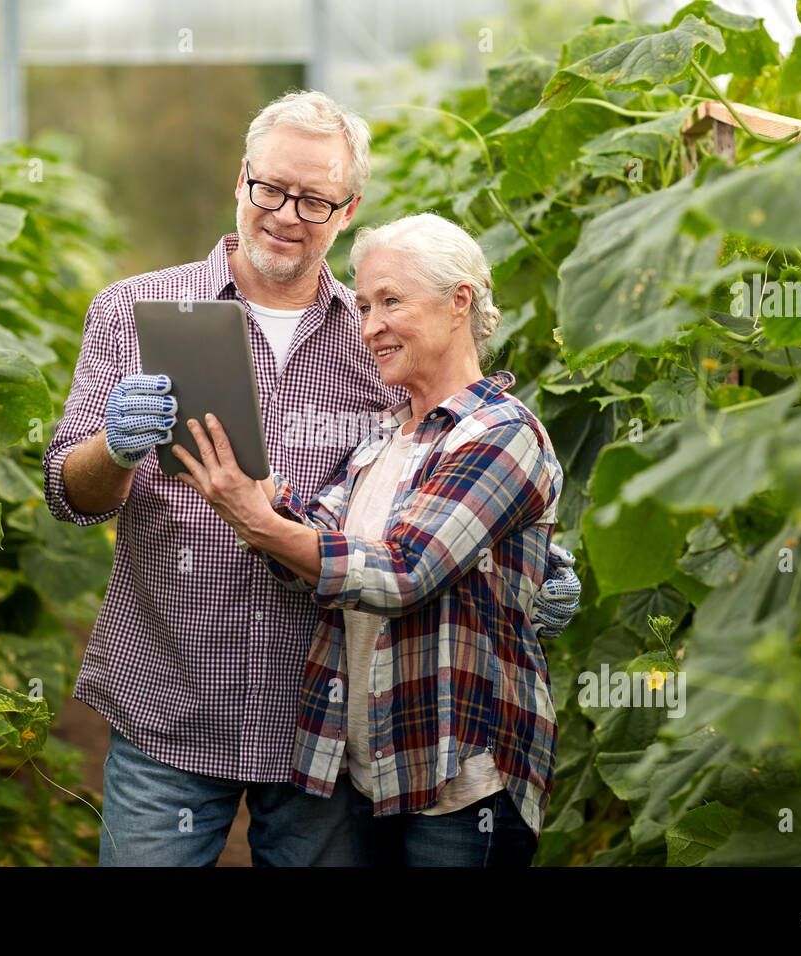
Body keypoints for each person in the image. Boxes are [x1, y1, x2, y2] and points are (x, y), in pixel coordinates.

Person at [45, 92, 578, 867]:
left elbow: (442, 473)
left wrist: (525, 568)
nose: (287, 214)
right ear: (241, 180)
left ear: (349, 206)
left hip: (325, 723)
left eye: (315, 199)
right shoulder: (134, 311)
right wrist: (115, 448)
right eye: (271, 188)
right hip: (169, 698)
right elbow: (69, 496)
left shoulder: (381, 338)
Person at [173, 212, 576, 867]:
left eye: (391, 302)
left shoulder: (501, 434)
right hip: (374, 772)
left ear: (459, 303)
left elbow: (403, 574)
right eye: (362, 306)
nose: (369, 327)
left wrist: (263, 524)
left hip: (460, 784)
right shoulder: (388, 435)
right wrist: (260, 490)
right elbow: (318, 548)